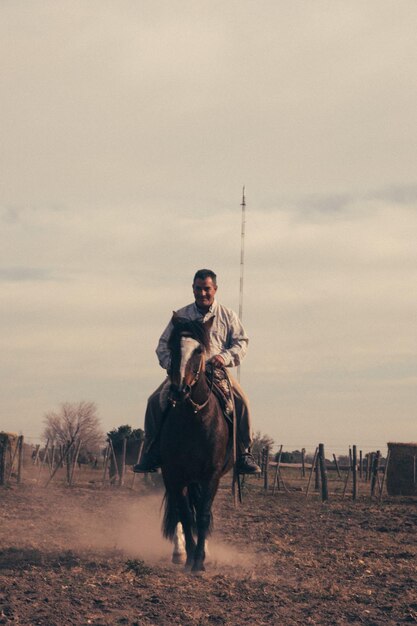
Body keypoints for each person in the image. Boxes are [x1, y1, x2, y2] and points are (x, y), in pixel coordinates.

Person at [134, 269, 261, 474]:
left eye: (207, 289)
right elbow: (163, 345)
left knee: (242, 401)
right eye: (198, 289)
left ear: (215, 289)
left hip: (217, 371)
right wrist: (173, 366)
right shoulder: (181, 316)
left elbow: (241, 342)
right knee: (154, 400)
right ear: (192, 289)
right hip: (185, 373)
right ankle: (152, 451)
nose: (202, 293)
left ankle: (244, 452)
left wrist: (225, 357)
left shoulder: (227, 316)